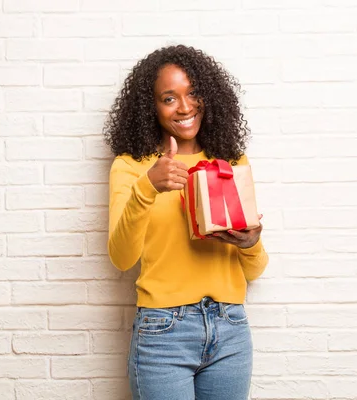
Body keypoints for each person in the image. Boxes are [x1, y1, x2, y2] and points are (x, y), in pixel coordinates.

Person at [104, 44, 269, 400]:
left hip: (230, 327)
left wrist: (249, 242)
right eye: (169, 98)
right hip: (164, 331)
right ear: (151, 106)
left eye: (193, 93)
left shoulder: (230, 162)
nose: (185, 107)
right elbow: (121, 257)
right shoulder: (132, 166)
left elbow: (255, 270)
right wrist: (148, 186)